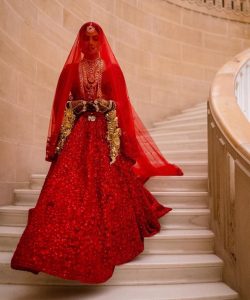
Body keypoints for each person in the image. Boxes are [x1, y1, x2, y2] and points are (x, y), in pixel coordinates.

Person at [11, 21, 183, 284]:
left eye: (95, 39)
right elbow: (61, 105)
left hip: (105, 133)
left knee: (108, 183)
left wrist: (112, 120)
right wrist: (75, 112)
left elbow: (121, 105)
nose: (90, 43)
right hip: (79, 133)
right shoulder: (70, 70)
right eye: (86, 38)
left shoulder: (111, 69)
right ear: (80, 42)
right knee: (65, 185)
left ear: (101, 42)